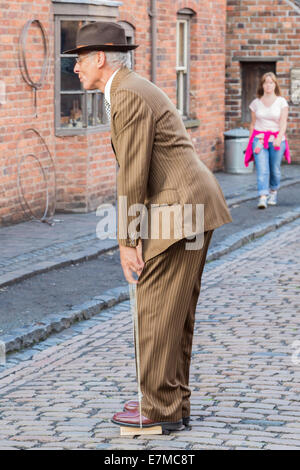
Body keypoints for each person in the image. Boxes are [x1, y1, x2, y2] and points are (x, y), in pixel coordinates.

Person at [64, 22, 232, 432]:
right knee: (172, 308)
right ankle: (169, 400)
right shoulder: (128, 88)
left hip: (181, 210)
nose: (75, 69)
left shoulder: (127, 94)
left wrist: (127, 241)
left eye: (79, 60)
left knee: (156, 306)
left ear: (100, 58)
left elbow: (133, 173)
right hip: (189, 205)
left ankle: (157, 407)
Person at [245, 72, 291, 209]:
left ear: (275, 84)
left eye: (271, 82)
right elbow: (253, 124)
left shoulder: (281, 102)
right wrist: (250, 141)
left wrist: (278, 138)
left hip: (277, 140)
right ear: (262, 85)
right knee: (262, 169)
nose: (268, 85)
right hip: (259, 140)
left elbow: (283, 123)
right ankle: (263, 197)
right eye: (266, 82)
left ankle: (273, 191)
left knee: (275, 169)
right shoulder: (256, 103)